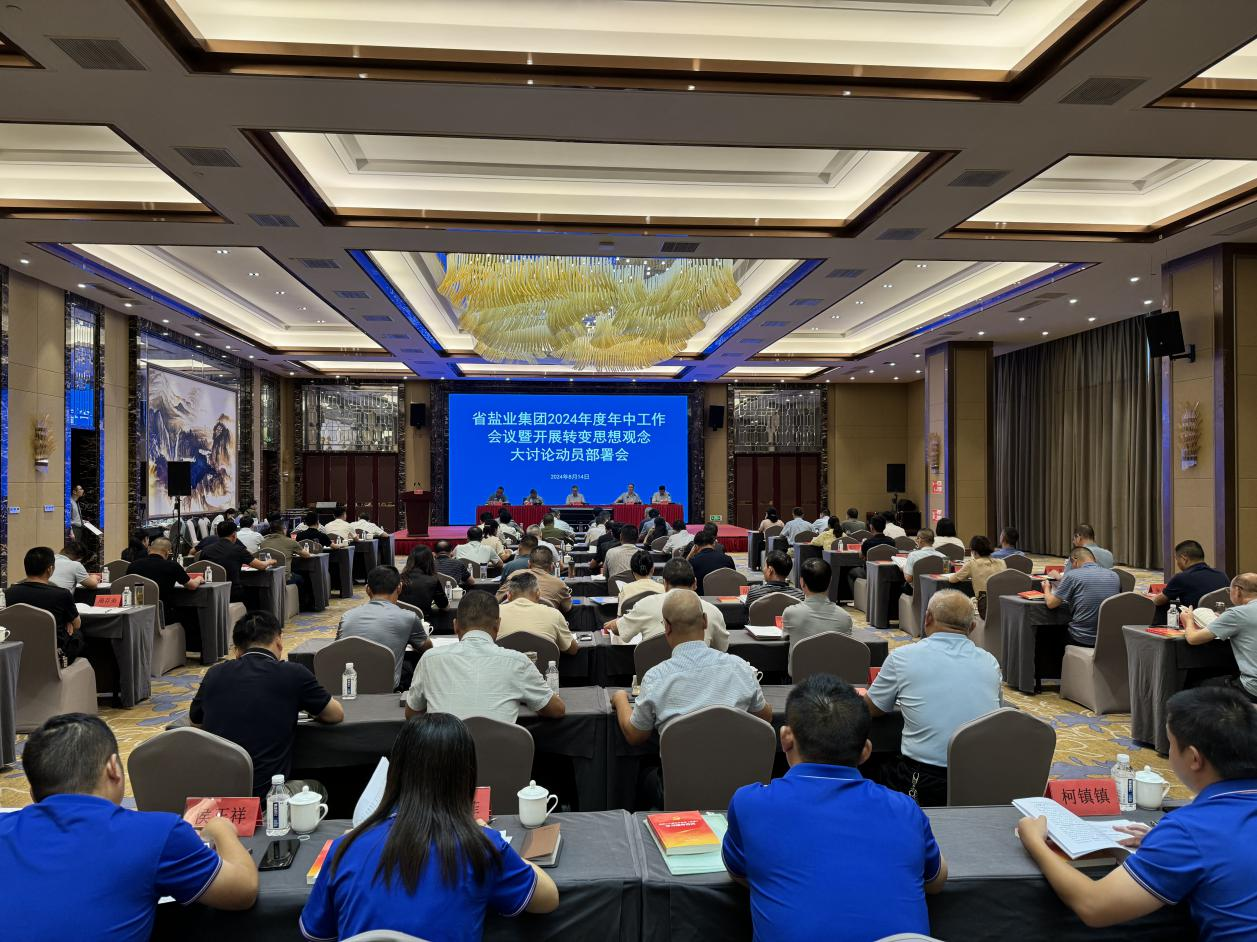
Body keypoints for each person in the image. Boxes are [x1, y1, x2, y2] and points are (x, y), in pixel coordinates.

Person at [1018, 686, 1257, 938]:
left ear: (1194, 758)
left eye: (1171, 744)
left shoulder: (1190, 830)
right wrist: (1164, 843)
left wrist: (1035, 843)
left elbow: (1094, 906)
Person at [723, 675, 947, 942]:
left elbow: (740, 872)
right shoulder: (905, 809)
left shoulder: (750, 803)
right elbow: (936, 880)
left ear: (785, 738)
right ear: (866, 752)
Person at [300, 713, 559, 941]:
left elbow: (317, 933)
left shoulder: (344, 848)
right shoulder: (483, 846)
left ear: (396, 772)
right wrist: (491, 839)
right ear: (466, 776)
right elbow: (548, 899)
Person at [2, 713, 258, 941]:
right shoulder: (158, 833)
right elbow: (242, 891)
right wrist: (221, 829)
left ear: (32, 792)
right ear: (114, 768)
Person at [868, 590, 1002, 806]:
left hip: (924, 779)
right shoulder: (990, 662)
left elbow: (873, 709)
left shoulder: (903, 657)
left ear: (927, 618)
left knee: (870, 765)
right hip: (980, 777)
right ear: (972, 627)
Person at [190, 611, 343, 796]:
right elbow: (335, 714)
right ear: (279, 642)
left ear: (237, 650)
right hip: (268, 797)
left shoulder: (214, 673)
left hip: (217, 798)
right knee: (318, 788)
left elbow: (195, 722)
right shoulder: (293, 674)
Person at [611, 591, 771, 750]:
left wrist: (620, 699)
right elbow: (765, 717)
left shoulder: (655, 678)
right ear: (705, 621)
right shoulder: (740, 667)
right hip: (738, 765)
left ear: (667, 627)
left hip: (680, 767)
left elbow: (635, 735)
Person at [405, 591, 565, 723]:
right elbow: (557, 710)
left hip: (444, 751)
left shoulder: (430, 659)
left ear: (455, 625)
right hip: (498, 752)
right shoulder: (518, 662)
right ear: (498, 625)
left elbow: (412, 714)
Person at [339, 566, 432, 690]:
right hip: (387, 688)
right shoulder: (408, 617)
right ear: (399, 587)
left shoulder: (347, 616)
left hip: (347, 686)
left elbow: (338, 649)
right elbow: (427, 648)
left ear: (367, 589)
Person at [607, 558, 730, 650]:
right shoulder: (713, 611)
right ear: (695, 583)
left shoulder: (645, 604)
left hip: (652, 673)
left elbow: (620, 631)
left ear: (664, 584)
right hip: (700, 675)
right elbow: (722, 648)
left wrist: (614, 624)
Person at [1181, 573, 1257, 702]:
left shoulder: (1237, 614)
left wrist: (1188, 620)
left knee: (1193, 685)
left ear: (1237, 590)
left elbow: (1193, 639)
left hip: (1252, 688)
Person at [7, 546, 83, 663]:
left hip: (17, 652)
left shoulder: (8, 593)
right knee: (78, 635)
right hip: (54, 654)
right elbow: (77, 624)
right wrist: (67, 620)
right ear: (50, 569)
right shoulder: (62, 594)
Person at [1043, 546, 1121, 647]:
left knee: (1047, 633)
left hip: (1081, 639)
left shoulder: (1072, 575)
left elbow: (1051, 604)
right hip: (1108, 639)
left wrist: (1046, 588)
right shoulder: (1114, 576)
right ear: (1094, 560)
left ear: (1074, 560)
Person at [782, 559, 854, 662]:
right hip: (835, 671)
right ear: (830, 581)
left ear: (802, 582)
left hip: (801, 672)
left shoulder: (790, 613)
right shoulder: (845, 618)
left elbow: (784, 639)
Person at [126, 537, 203, 626]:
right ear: (167, 552)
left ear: (149, 549)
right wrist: (199, 578)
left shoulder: (133, 565)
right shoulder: (172, 566)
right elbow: (192, 586)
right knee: (192, 612)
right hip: (163, 615)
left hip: (136, 614)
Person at [497, 570, 578, 654]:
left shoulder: (495, 614)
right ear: (538, 594)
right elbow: (573, 650)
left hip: (504, 662)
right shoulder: (554, 614)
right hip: (544, 663)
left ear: (509, 596)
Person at [198, 520, 275, 603]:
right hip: (232, 593)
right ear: (234, 534)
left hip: (210, 593)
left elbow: (200, 569)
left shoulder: (205, 550)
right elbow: (261, 566)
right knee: (254, 591)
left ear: (218, 534)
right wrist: (270, 561)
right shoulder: (238, 549)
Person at [1150, 539, 1230, 609]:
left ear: (1184, 559)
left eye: (1177, 559)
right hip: (1221, 618)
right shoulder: (1222, 575)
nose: (1177, 563)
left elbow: (1158, 601)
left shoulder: (1181, 578)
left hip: (1195, 619)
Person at [496, 546, 573, 613]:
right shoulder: (559, 583)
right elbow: (567, 608)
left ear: (529, 564)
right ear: (552, 567)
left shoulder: (514, 575)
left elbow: (497, 600)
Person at [947, 534, 1007, 618]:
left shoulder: (972, 564)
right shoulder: (1002, 562)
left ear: (974, 551)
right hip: (1004, 604)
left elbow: (952, 579)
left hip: (985, 606)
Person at [847, 516, 897, 599]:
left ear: (871, 527)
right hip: (888, 573)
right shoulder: (892, 541)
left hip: (869, 573)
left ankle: (857, 600)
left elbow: (861, 556)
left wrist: (862, 545)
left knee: (851, 573)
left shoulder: (867, 543)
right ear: (884, 526)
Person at [399, 544, 449, 621]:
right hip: (424, 622)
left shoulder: (398, 578)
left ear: (410, 559)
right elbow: (444, 606)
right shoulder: (433, 580)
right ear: (430, 561)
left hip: (399, 621)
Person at [688, 529, 737, 594]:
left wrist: (689, 555)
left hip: (702, 598)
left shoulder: (693, 561)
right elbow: (734, 579)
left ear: (695, 547)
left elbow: (683, 579)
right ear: (714, 543)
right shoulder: (728, 559)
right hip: (726, 598)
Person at [900, 527, 946, 596]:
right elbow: (946, 577)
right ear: (933, 541)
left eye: (917, 538)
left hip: (918, 593)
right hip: (938, 593)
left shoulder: (913, 555)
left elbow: (908, 579)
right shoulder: (944, 557)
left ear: (920, 540)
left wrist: (904, 567)